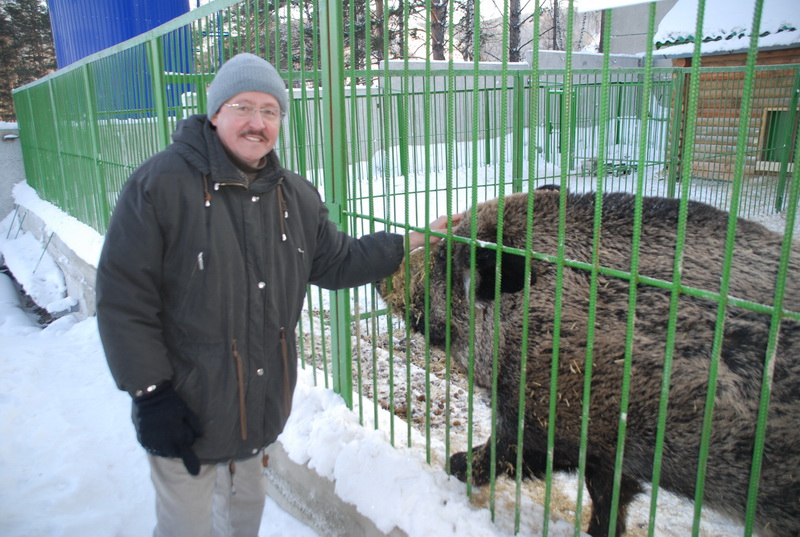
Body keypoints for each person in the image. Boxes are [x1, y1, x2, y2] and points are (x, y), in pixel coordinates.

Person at [96, 53, 454, 537]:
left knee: (242, 522)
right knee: (187, 528)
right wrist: (151, 393)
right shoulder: (160, 186)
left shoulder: (295, 196)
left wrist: (410, 241)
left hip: (257, 409)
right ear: (216, 112)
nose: (257, 123)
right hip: (184, 408)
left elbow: (338, 261)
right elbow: (123, 299)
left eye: (270, 111)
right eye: (243, 107)